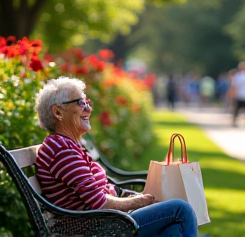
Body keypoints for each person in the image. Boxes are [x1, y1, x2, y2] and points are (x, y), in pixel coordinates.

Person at [35, 76, 198, 237]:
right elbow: (99, 203)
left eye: (87, 102)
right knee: (181, 209)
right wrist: (140, 201)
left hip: (105, 222)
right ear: (58, 112)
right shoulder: (61, 149)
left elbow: (99, 194)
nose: (88, 109)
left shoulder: (66, 145)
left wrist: (133, 197)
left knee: (174, 231)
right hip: (97, 228)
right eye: (80, 103)